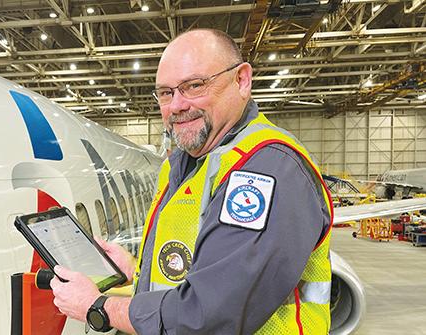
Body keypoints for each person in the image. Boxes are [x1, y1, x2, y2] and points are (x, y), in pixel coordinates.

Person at [50, 28, 333, 334]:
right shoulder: (189, 163)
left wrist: (98, 307)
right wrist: (136, 270)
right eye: (165, 93)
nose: (176, 106)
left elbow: (206, 316)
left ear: (242, 80)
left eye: (194, 86)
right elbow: (197, 263)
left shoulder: (266, 170)